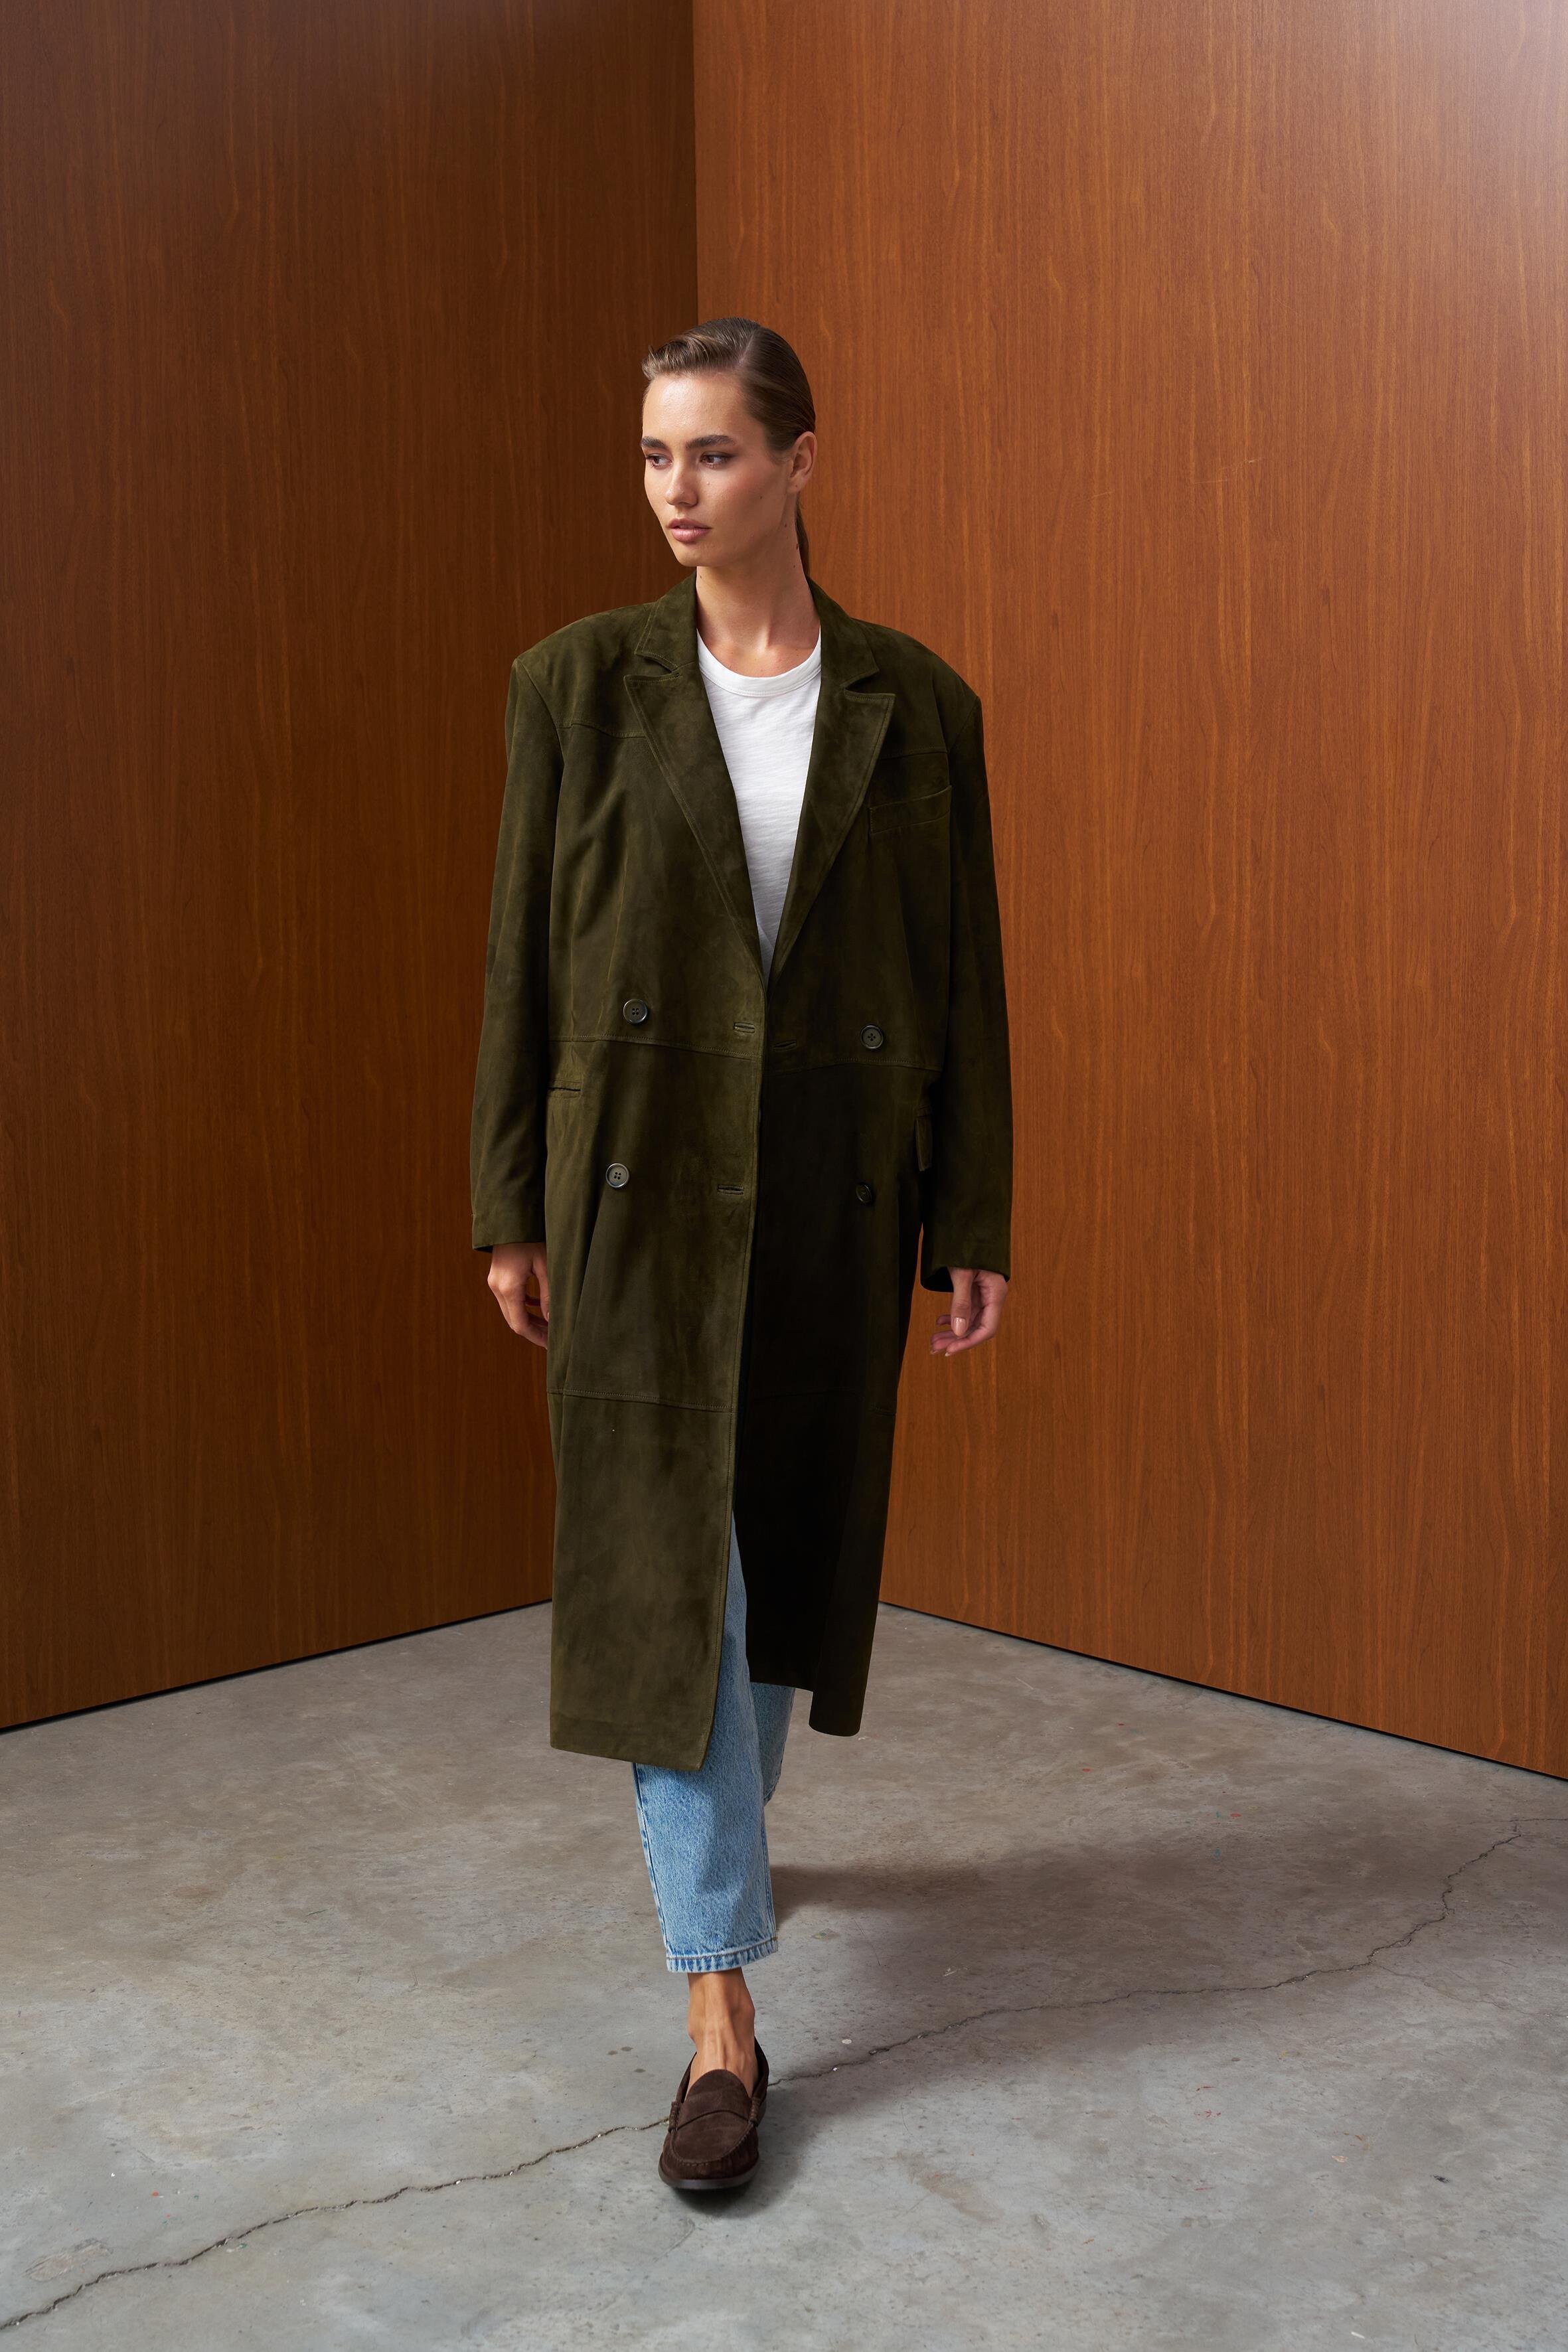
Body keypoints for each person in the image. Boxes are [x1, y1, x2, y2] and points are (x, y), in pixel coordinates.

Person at [471, 317, 1012, 2192]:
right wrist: (510, 1198)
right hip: (632, 1191)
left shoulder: (914, 703)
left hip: (831, 1192)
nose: (675, 491)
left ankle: (733, 1837)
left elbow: (963, 978)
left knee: (776, 1543)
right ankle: (720, 2014)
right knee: (668, 1583)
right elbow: (522, 958)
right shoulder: (573, 685)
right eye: (653, 454)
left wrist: (972, 1211)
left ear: (797, 461)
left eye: (710, 452)